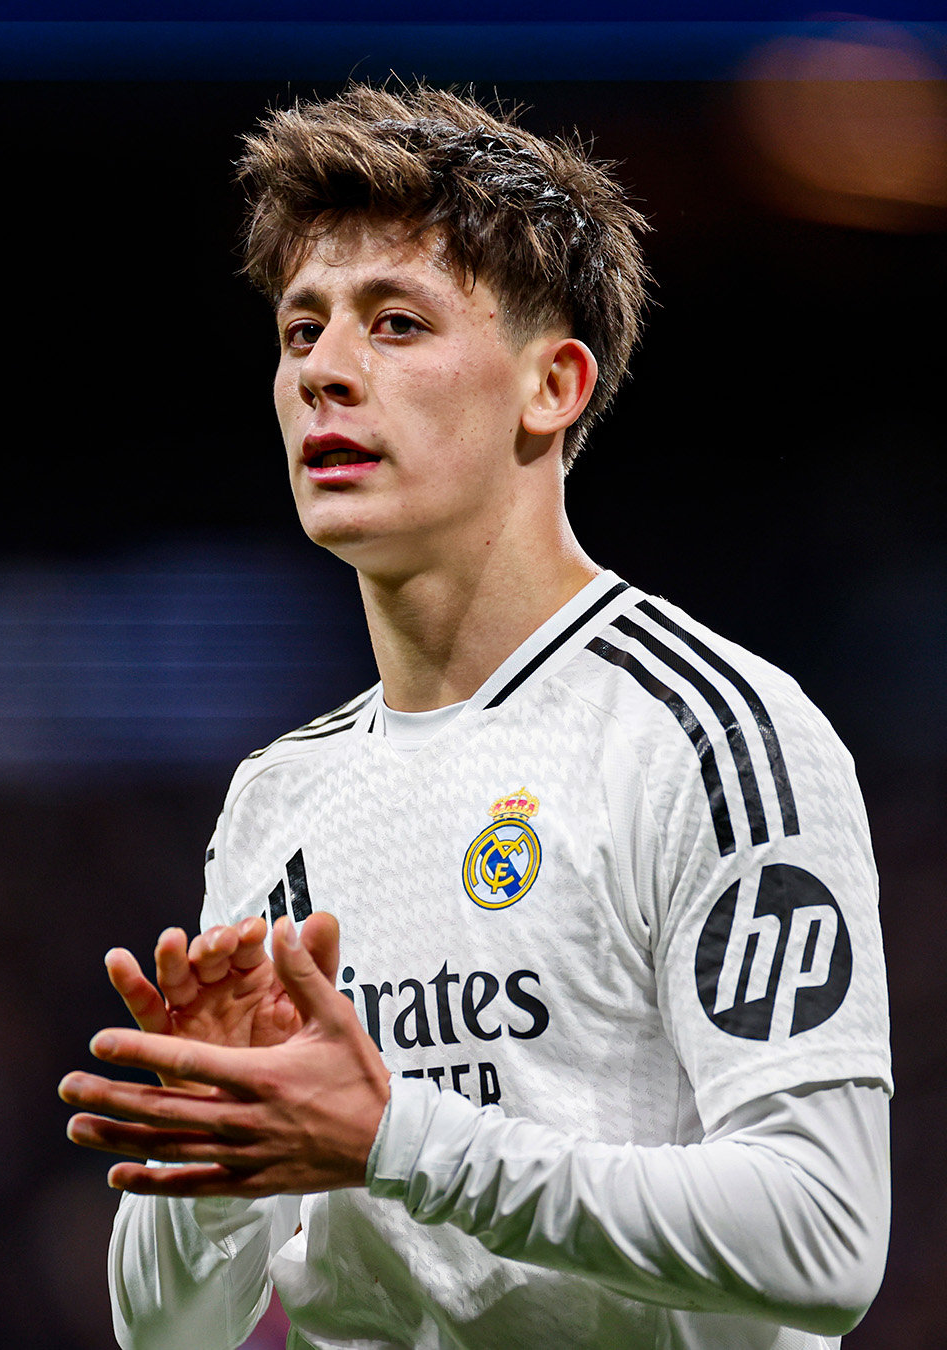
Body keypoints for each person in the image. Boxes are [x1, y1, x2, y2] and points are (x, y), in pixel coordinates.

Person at [60, 82, 892, 1350]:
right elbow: (171, 1335)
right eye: (300, 331)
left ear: (551, 386)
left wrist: (395, 1138)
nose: (325, 371)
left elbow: (822, 1232)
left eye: (395, 324)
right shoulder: (281, 798)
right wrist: (213, 1149)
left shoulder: (712, 736)